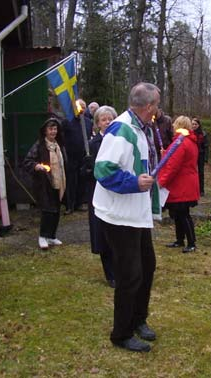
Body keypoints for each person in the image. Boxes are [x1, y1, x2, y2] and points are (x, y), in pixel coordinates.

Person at [93, 82, 160, 352]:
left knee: (147, 266)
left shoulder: (141, 127)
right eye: (156, 104)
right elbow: (103, 170)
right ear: (147, 106)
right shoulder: (121, 129)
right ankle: (121, 333)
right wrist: (134, 183)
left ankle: (138, 319)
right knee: (130, 274)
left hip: (137, 212)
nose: (158, 109)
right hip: (119, 215)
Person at [85, 106, 117, 288]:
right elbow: (84, 174)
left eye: (110, 119)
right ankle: (110, 273)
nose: (107, 122)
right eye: (104, 120)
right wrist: (88, 168)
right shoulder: (92, 145)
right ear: (98, 124)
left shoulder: (119, 141)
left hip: (116, 192)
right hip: (98, 193)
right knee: (102, 232)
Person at [158, 116, 200, 253]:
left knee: (183, 214)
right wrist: (165, 154)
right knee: (179, 213)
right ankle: (180, 240)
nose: (173, 126)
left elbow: (172, 166)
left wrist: (161, 182)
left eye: (175, 124)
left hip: (182, 184)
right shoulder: (188, 141)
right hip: (186, 182)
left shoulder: (180, 143)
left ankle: (191, 242)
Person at [23, 118, 66, 250]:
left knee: (56, 210)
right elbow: (28, 161)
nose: (53, 131)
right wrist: (37, 166)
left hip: (59, 181)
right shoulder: (40, 145)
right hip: (44, 182)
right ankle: (43, 236)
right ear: (45, 131)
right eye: (50, 129)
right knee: (47, 210)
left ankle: (52, 236)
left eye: (55, 129)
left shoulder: (59, 145)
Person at [62, 99, 93, 214]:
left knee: (82, 180)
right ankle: (70, 205)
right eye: (79, 107)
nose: (81, 109)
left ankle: (80, 202)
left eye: (84, 107)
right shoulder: (67, 122)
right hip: (71, 156)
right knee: (71, 181)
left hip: (84, 156)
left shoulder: (88, 122)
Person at [191, 117, 208, 196]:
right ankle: (193, 189)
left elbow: (206, 146)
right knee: (192, 171)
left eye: (195, 124)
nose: (194, 126)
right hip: (192, 155)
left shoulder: (203, 134)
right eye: (193, 124)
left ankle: (201, 190)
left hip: (200, 154)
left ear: (198, 125)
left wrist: (206, 158)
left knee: (201, 173)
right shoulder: (190, 133)